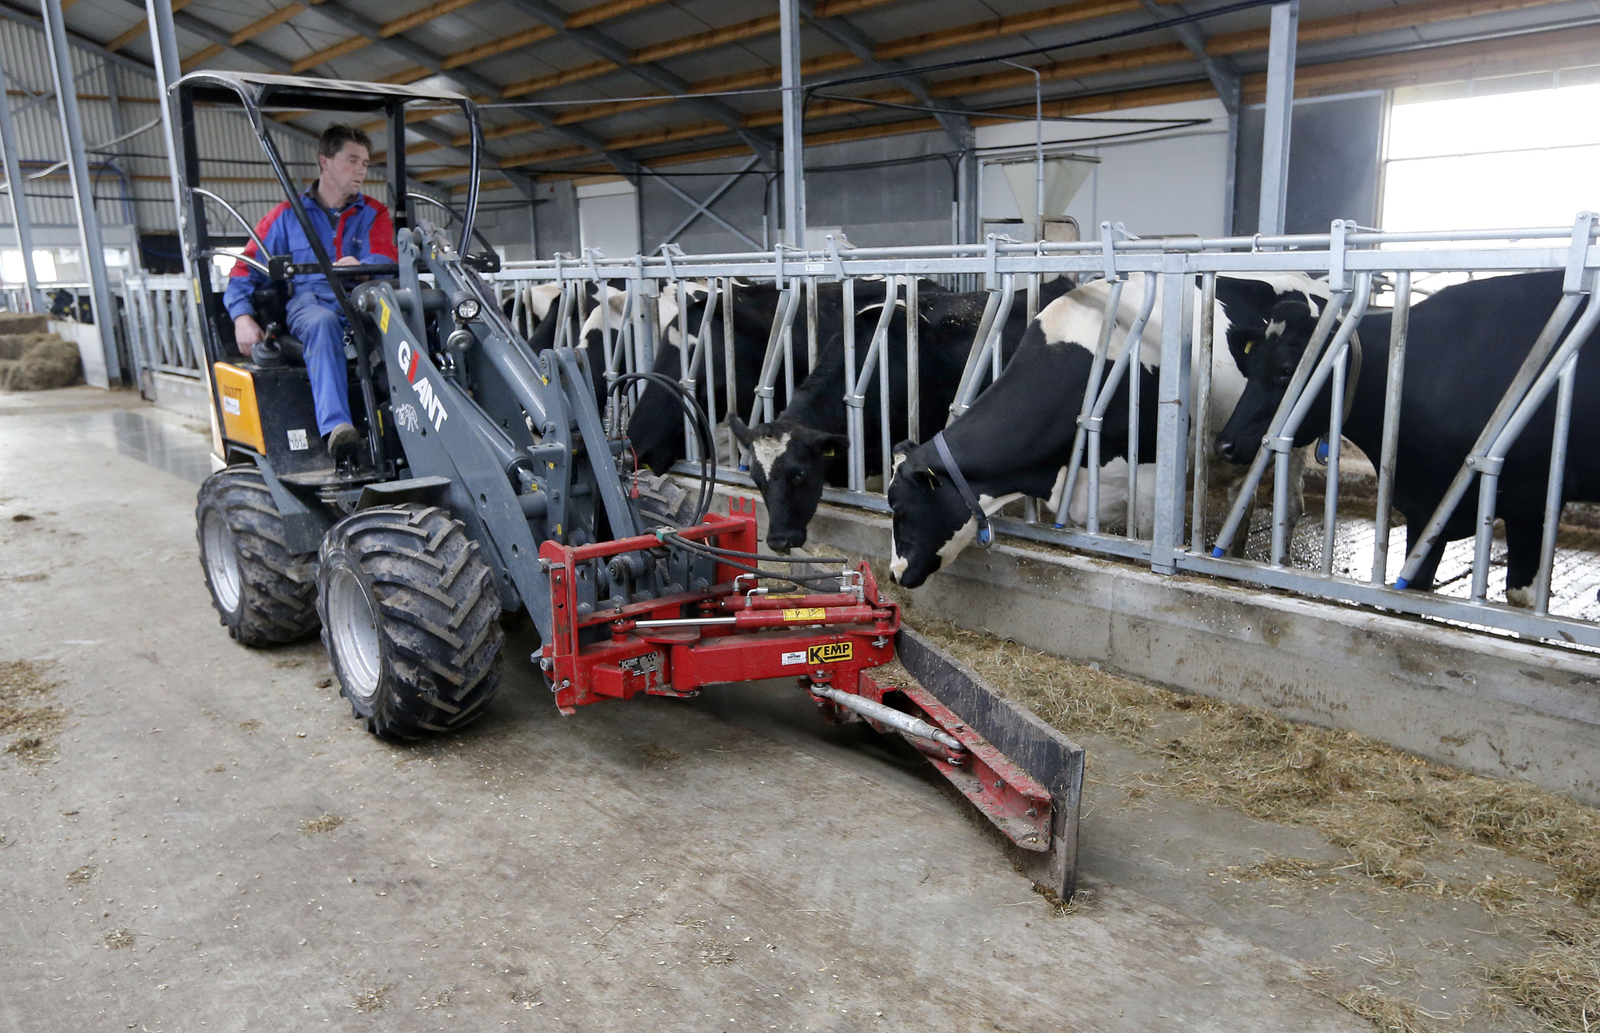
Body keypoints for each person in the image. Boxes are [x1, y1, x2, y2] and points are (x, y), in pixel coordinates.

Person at [224, 124, 397, 457]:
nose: (362, 169)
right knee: (321, 323)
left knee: (410, 316)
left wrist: (362, 267)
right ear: (325, 162)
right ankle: (337, 429)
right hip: (310, 302)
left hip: (361, 299)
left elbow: (387, 256)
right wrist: (242, 317)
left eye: (365, 162)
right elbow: (244, 269)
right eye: (352, 160)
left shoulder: (375, 212)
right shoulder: (286, 216)